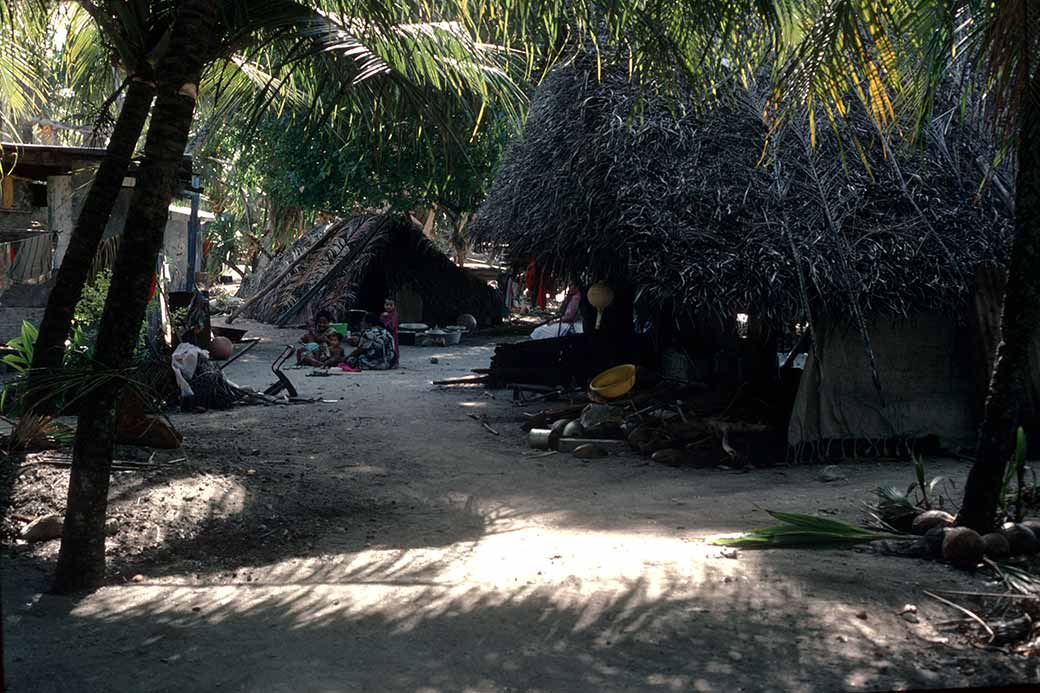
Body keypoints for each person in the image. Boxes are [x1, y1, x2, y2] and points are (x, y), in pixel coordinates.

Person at [380, 297, 400, 368]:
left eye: (391, 305)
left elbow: (392, 325)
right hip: (384, 335)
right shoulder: (383, 314)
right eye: (387, 304)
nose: (388, 306)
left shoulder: (395, 315)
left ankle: (395, 362)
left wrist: (386, 318)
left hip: (393, 335)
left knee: (394, 348)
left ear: (394, 306)